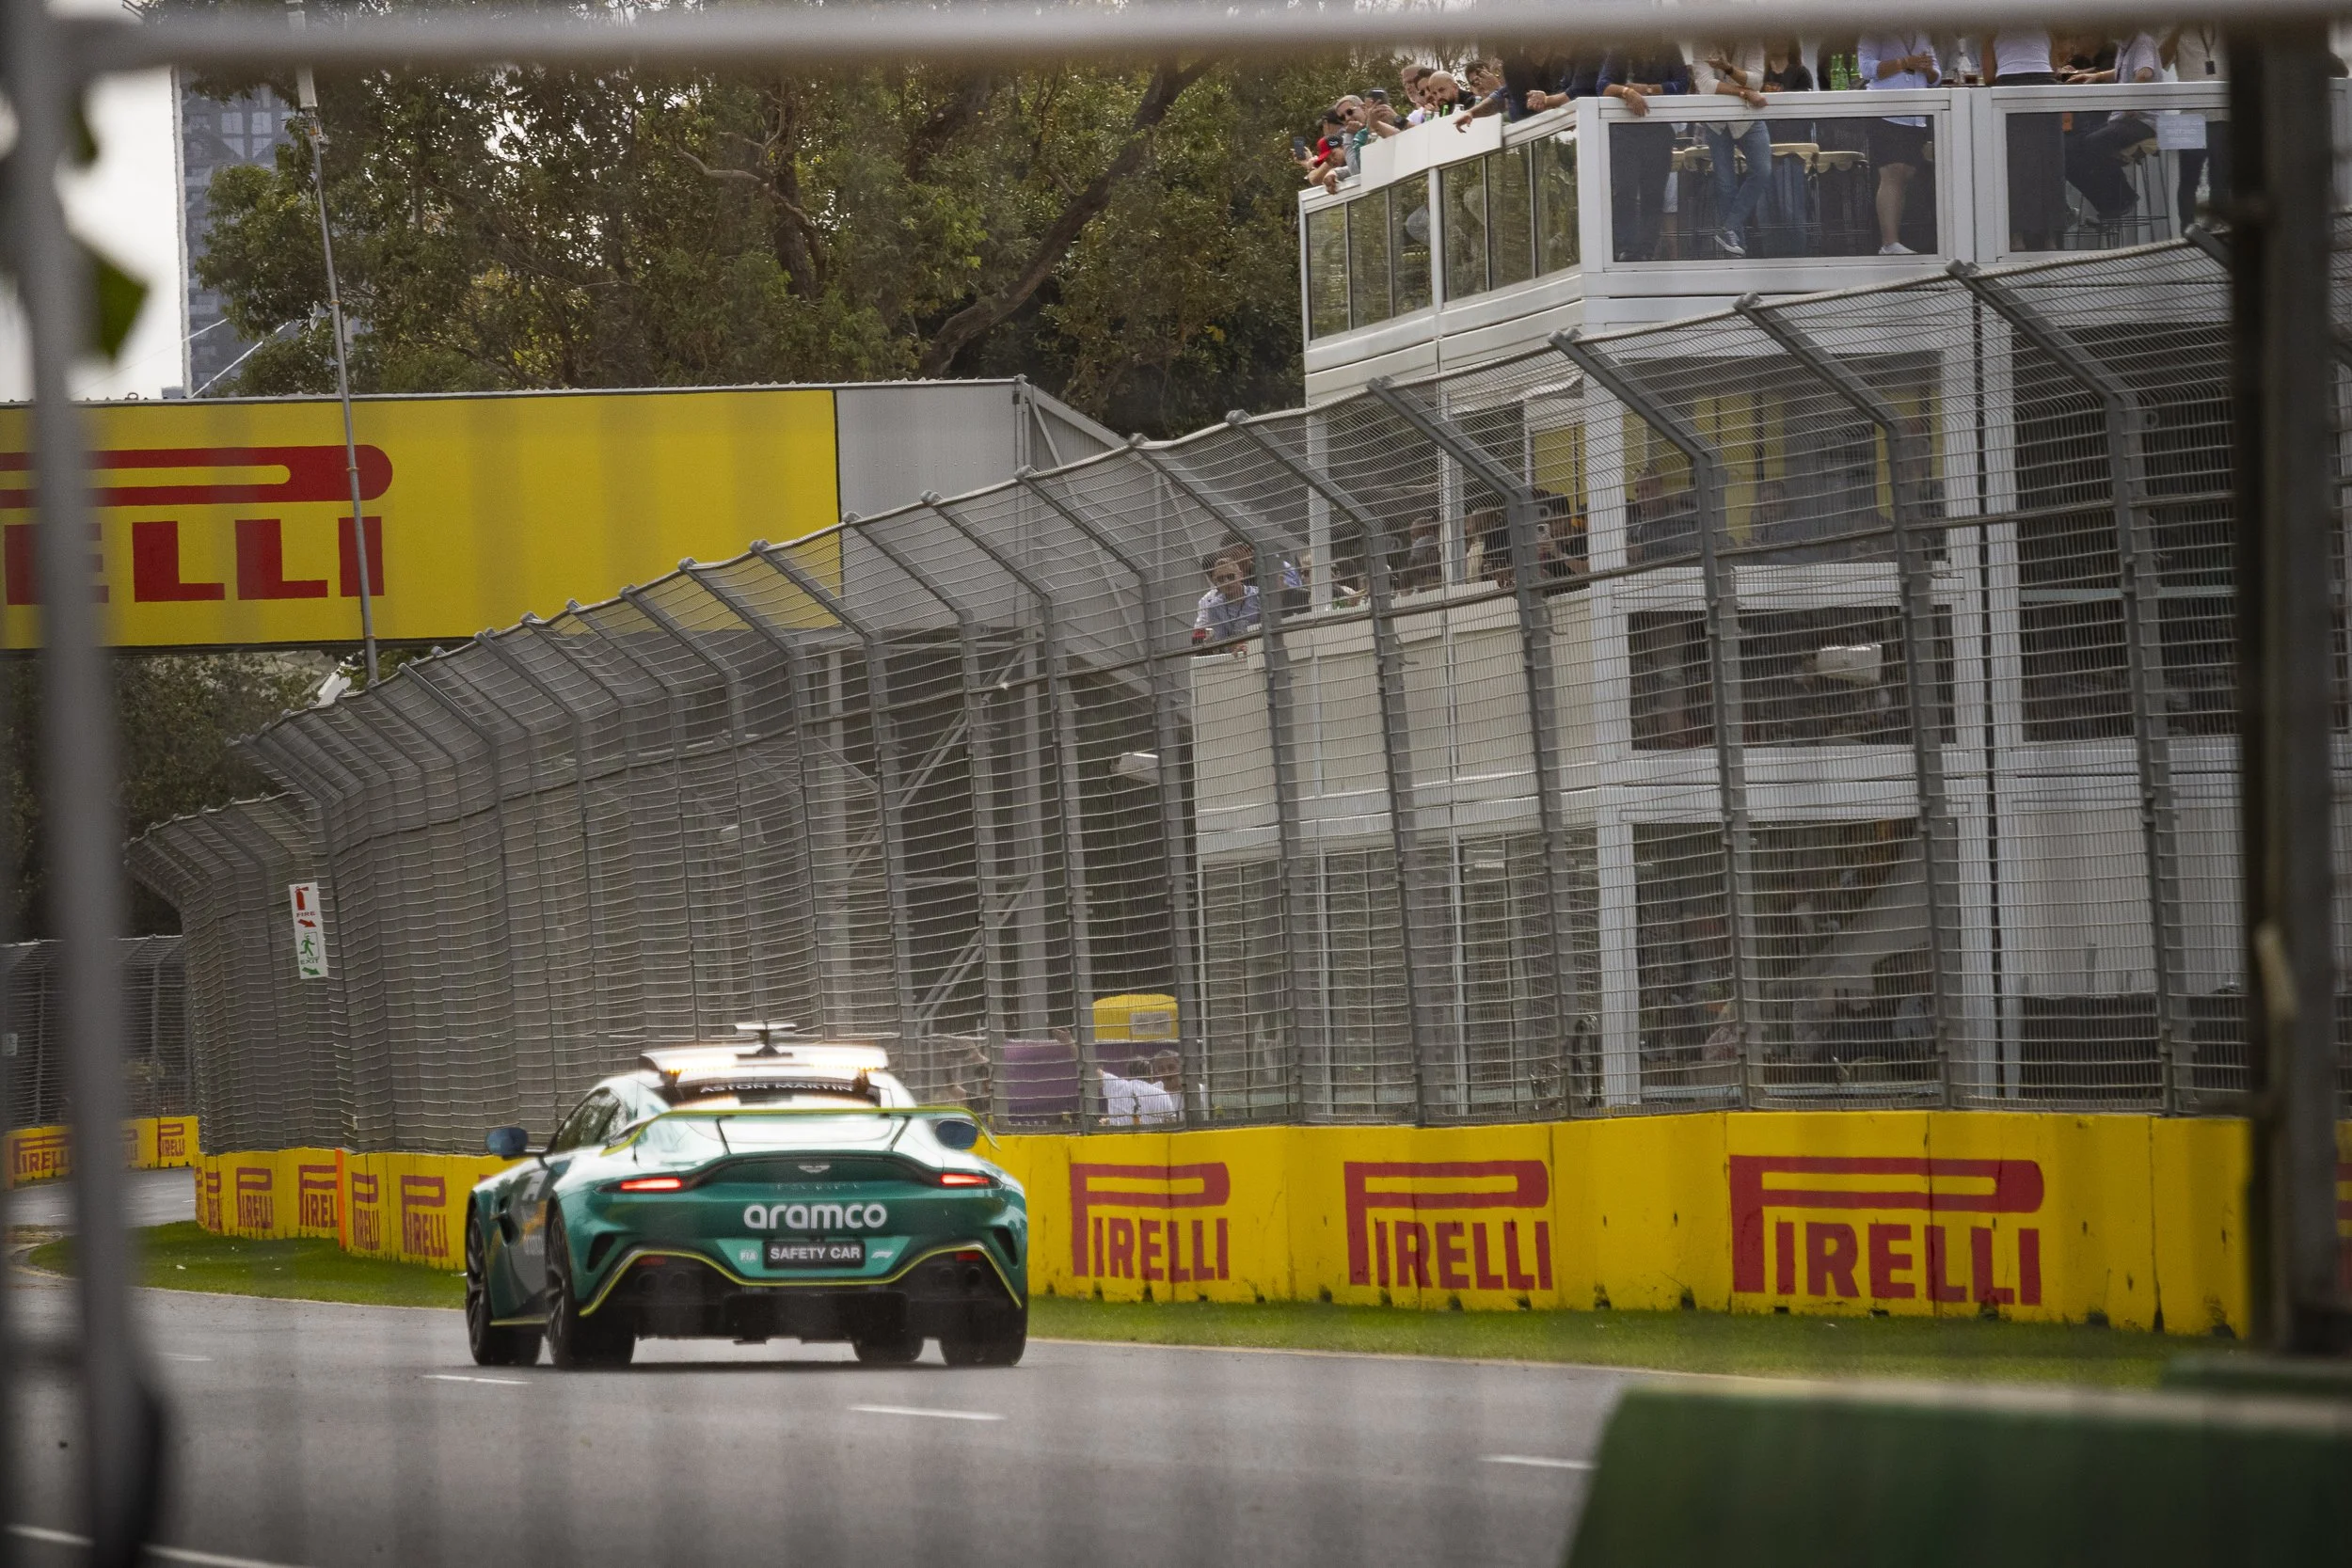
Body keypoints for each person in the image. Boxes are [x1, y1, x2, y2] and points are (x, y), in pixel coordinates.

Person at [1598, 43, 1692, 262]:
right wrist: (1626, 92)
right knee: (1625, 190)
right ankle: (1626, 249)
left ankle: (1647, 250)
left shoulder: (1669, 49)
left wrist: (1648, 90)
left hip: (1658, 131)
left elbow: (1682, 84)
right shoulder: (1620, 50)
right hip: (1624, 132)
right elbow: (1602, 85)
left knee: (1654, 193)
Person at [2065, 31, 2163, 227]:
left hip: (2144, 121)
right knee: (2068, 152)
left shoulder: (2142, 42)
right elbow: (2121, 72)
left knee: (2093, 143)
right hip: (2121, 119)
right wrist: (2096, 76)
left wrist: (2131, 101)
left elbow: (2144, 73)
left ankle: (2122, 199)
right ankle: (2109, 206)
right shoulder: (2124, 47)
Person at [1856, 31, 1938, 255]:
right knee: (1893, 171)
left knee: (1905, 174)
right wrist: (1904, 63)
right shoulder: (1874, 29)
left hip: (1916, 115)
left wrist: (1928, 70)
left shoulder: (1922, 32)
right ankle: (1889, 242)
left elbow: (1936, 76)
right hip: (1885, 112)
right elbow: (1867, 69)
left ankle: (1894, 241)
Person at [1693, 40, 1775, 257]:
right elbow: (1706, 86)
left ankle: (1728, 228)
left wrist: (1728, 69)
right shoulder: (1702, 41)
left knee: (1762, 170)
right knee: (1725, 184)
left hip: (1749, 117)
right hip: (1717, 122)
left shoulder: (1751, 40)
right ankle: (1736, 248)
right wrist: (1743, 93)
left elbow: (1757, 81)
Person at [1992, 29, 2066, 250]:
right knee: (2050, 163)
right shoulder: (2045, 25)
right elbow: (2055, 69)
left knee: (2015, 165)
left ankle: (2017, 235)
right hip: (2045, 85)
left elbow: (1988, 75)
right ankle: (2050, 237)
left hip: (2010, 86)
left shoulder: (1991, 26)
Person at [2164, 25, 2229, 223]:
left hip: (2223, 114)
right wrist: (2178, 28)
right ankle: (2187, 231)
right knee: (2188, 179)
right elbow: (2161, 61)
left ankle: (2219, 228)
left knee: (2221, 178)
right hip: (2190, 116)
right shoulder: (2176, 30)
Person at [1191, 551, 1261, 645]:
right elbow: (1222, 641)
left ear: (1241, 576)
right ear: (1215, 582)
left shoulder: (1258, 595)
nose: (1226, 582)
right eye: (1221, 579)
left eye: (1230, 576)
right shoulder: (1214, 607)